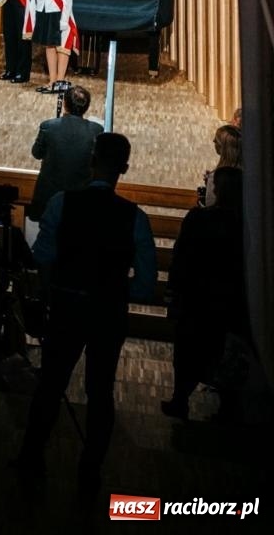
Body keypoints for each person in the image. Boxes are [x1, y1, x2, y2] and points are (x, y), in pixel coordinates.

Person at [16, 132, 156, 488]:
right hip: (108, 314)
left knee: (51, 385)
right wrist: (114, 292)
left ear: (92, 160)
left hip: (66, 307)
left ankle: (31, 457)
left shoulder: (62, 203)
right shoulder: (135, 217)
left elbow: (43, 256)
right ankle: (90, 469)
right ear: (125, 168)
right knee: (101, 392)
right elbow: (145, 283)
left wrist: (53, 290)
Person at [164, 167, 247, 420]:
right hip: (228, 300)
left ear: (217, 190)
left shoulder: (199, 218)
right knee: (224, 353)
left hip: (196, 297)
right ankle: (226, 408)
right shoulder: (245, 226)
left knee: (188, 350)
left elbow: (181, 255)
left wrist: (174, 289)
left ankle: (180, 399)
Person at [27, 84, 104, 223]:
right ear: (86, 107)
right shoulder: (97, 130)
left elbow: (36, 153)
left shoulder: (48, 126)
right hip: (81, 198)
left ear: (64, 104)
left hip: (49, 196)